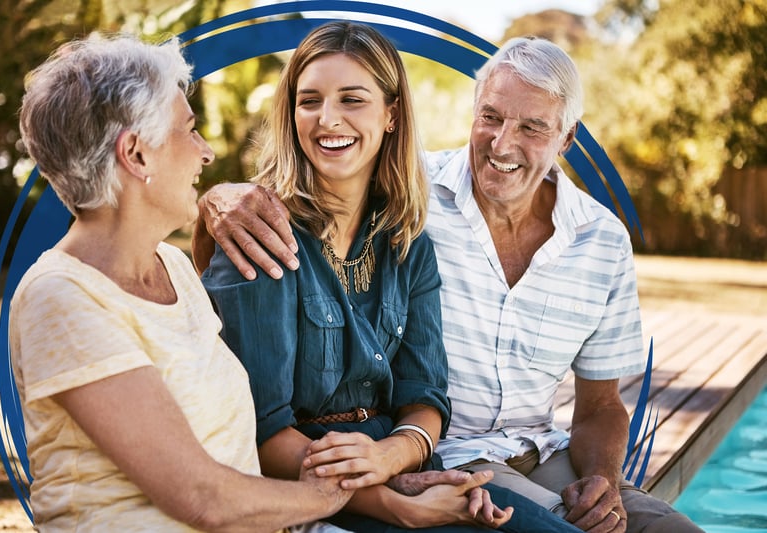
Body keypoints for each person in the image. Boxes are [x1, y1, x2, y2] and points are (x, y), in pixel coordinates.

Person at [193, 35, 704, 533]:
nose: (503, 143)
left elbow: (599, 405)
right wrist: (215, 198)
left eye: (532, 127)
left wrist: (602, 482)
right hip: (444, 456)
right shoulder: (410, 199)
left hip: (531, 450)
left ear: (566, 139)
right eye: (491, 117)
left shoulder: (596, 240)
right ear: (473, 112)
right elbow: (261, 422)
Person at [10, 32, 355, 532]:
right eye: (188, 131)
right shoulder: (60, 297)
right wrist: (326, 495)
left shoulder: (173, 268)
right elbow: (202, 498)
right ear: (136, 154)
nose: (206, 152)